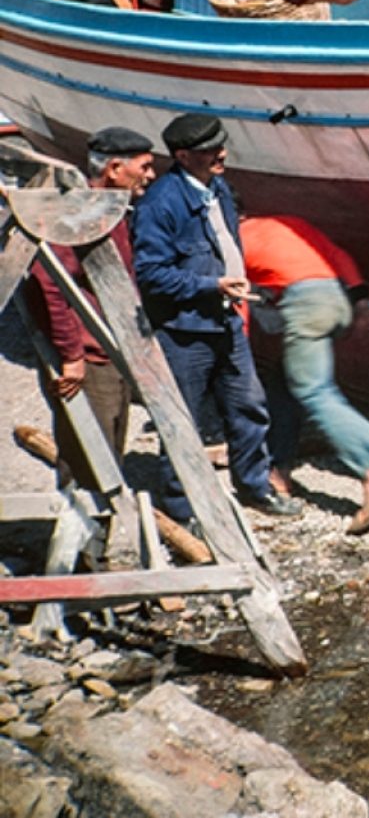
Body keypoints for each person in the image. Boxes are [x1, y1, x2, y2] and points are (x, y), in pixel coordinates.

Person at [133, 113, 300, 520]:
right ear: (183, 155)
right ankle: (180, 508)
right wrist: (212, 287)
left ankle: (254, 487)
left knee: (248, 408)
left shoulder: (218, 188)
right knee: (182, 421)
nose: (222, 153)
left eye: (222, 144)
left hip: (225, 322)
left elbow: (227, 247)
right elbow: (151, 274)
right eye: (211, 150)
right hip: (183, 331)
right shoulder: (161, 204)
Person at [242, 212, 369, 534]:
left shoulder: (234, 239)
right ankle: (280, 473)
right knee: (284, 383)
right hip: (337, 298)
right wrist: (359, 303)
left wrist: (239, 350)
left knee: (315, 391)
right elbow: (338, 255)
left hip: (307, 304)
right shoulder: (286, 223)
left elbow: (238, 300)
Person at [21, 126, 155, 501]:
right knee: (89, 457)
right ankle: (82, 553)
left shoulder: (111, 212)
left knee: (110, 448)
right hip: (91, 359)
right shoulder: (82, 215)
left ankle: (96, 546)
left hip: (112, 350)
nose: (150, 175)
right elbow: (48, 283)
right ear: (114, 169)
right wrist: (72, 356)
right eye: (144, 167)